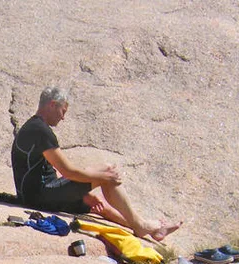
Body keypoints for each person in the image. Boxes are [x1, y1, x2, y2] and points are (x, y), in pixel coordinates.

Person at [12, 86, 181, 242]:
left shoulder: (33, 127)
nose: (63, 118)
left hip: (35, 195)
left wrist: (86, 187)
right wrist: (102, 177)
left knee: (98, 204)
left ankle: (147, 228)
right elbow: (68, 171)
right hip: (39, 197)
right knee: (106, 172)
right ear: (52, 104)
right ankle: (141, 225)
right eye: (62, 111)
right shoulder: (40, 131)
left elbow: (61, 172)